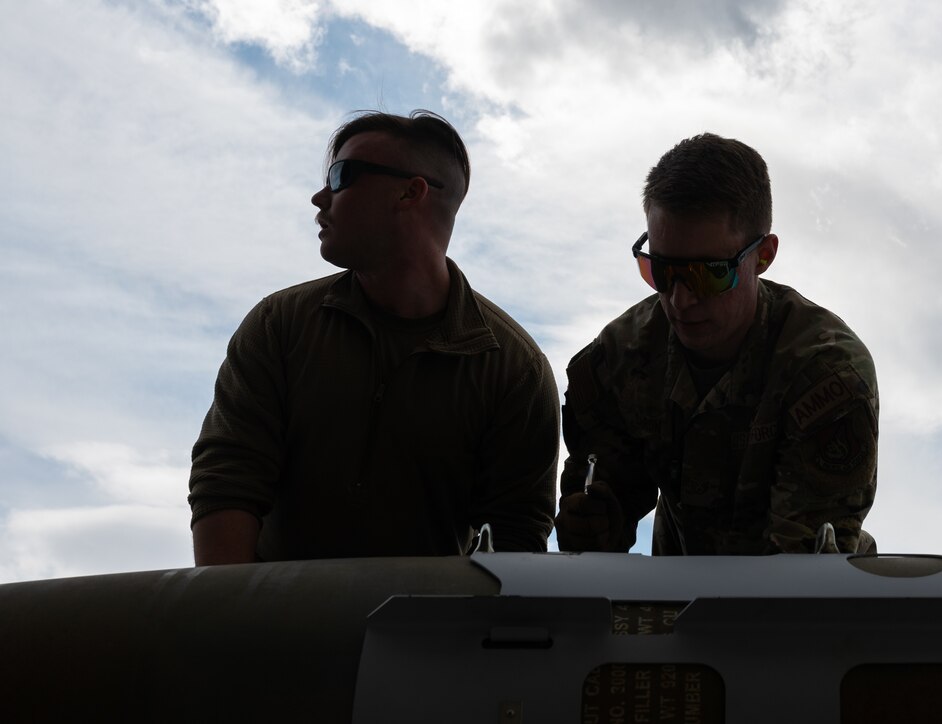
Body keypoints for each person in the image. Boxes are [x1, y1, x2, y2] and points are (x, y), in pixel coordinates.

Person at [188, 110, 559, 564]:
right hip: (273, 629)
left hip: (424, 633)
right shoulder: (278, 325)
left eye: (341, 176)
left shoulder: (514, 369)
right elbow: (227, 478)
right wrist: (231, 627)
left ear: (410, 191)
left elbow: (516, 538)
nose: (319, 197)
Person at [555, 134, 878, 555]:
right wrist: (592, 523)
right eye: (662, 271)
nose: (679, 299)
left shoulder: (826, 376)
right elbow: (597, 533)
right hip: (676, 601)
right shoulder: (619, 359)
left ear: (763, 255)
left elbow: (802, 574)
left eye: (708, 274)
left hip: (799, 607)